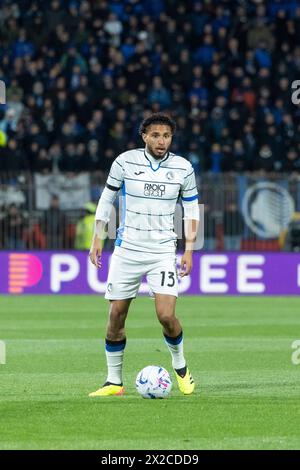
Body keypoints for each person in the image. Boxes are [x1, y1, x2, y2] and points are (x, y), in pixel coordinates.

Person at [89, 113, 199, 397]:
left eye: (167, 136)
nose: (161, 141)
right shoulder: (125, 162)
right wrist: (97, 238)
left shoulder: (183, 168)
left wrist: (188, 249)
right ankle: (114, 382)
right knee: (116, 316)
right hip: (127, 250)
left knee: (166, 316)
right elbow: (106, 199)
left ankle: (181, 366)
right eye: (156, 135)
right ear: (144, 136)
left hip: (162, 251)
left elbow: (191, 210)